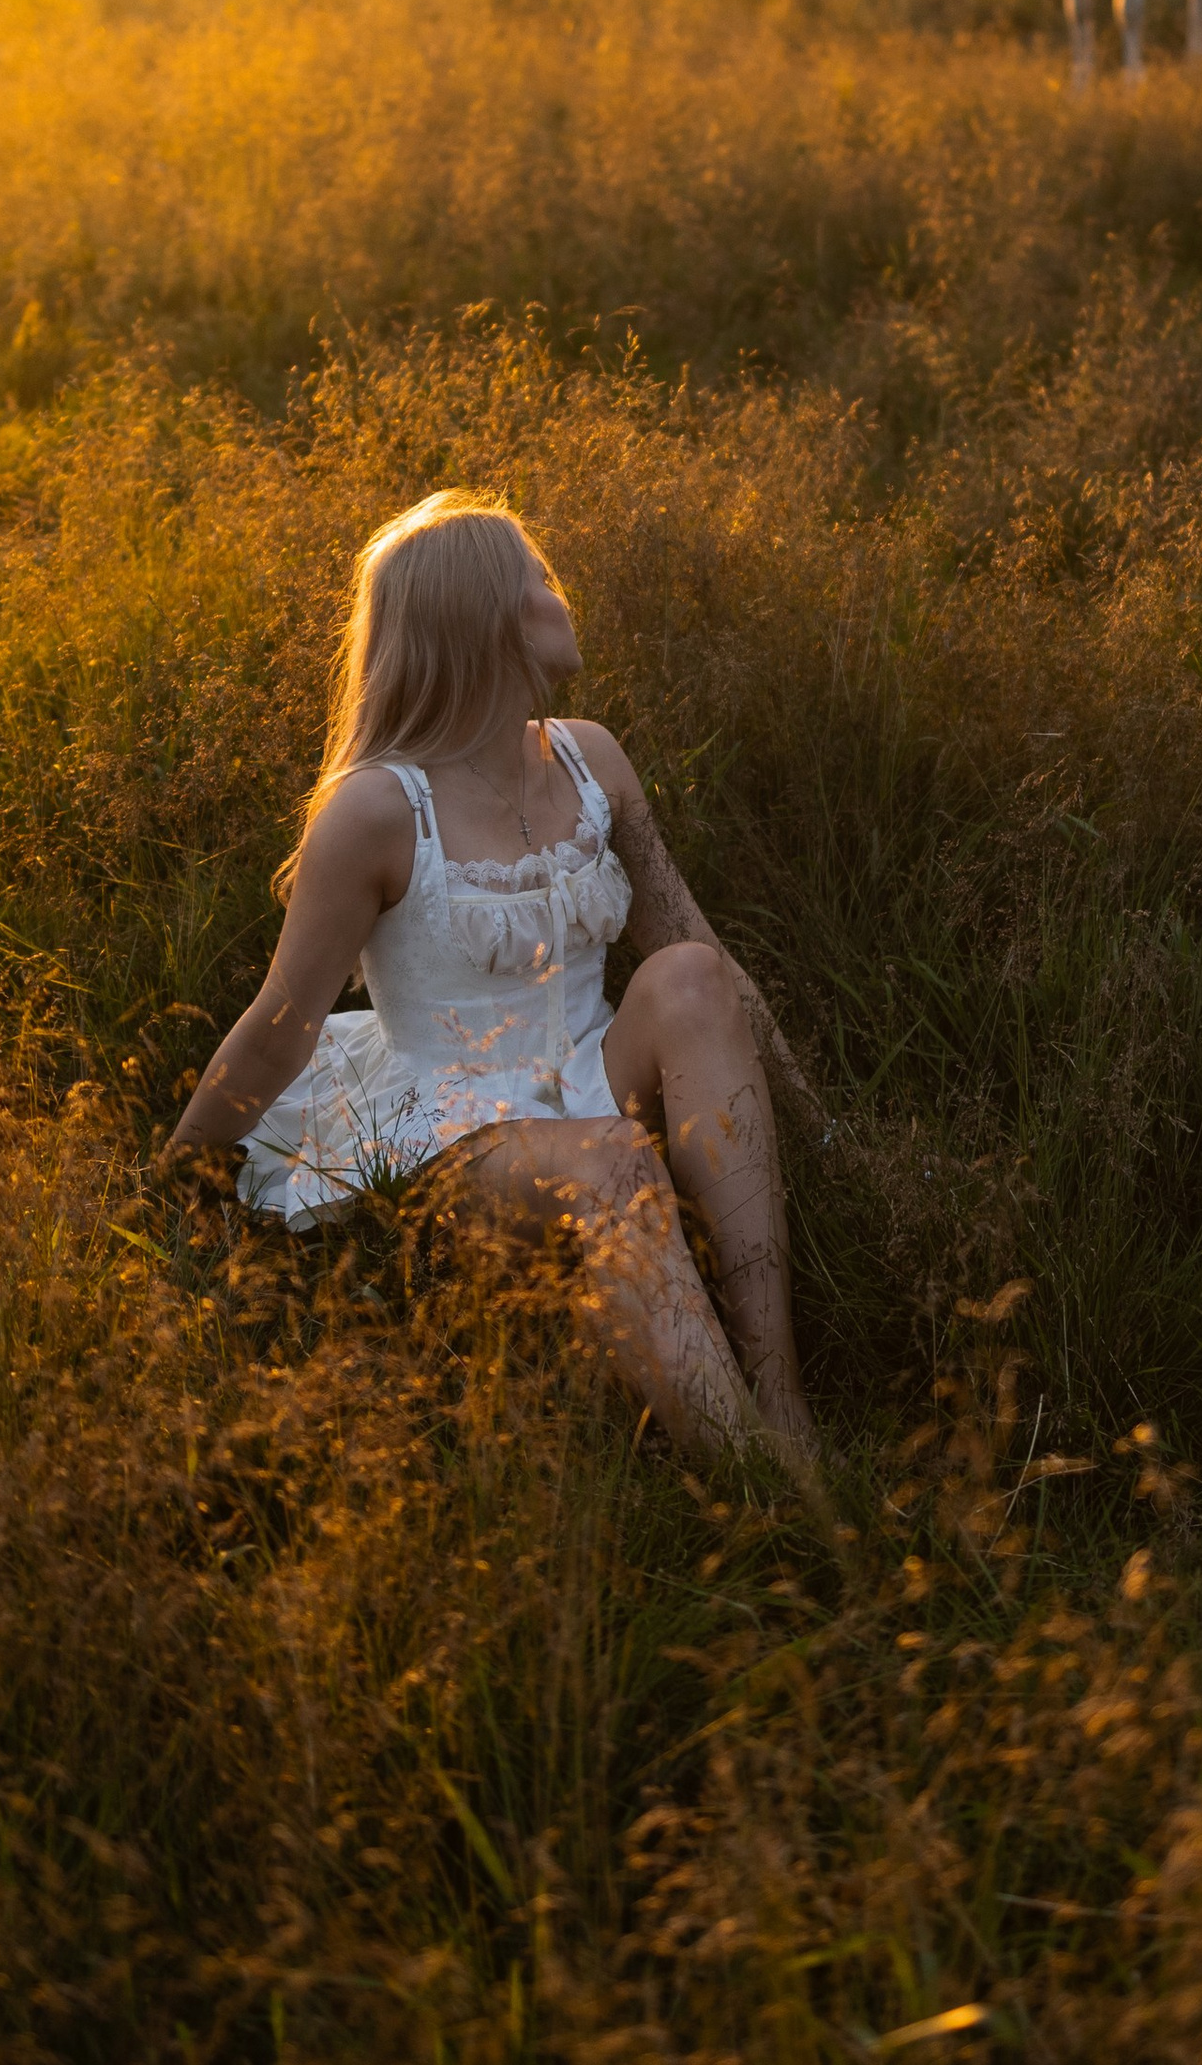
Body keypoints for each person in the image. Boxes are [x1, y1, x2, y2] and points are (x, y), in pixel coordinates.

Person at [163, 489, 820, 1474]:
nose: (562, 596)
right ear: (485, 618)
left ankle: (783, 1401)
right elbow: (281, 1022)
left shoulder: (591, 758)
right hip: (448, 1125)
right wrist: (174, 1174)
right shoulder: (375, 811)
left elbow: (696, 943)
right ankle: (757, 1482)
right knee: (611, 1161)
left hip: (589, 1070)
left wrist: (816, 1121)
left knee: (688, 975)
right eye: (539, 579)